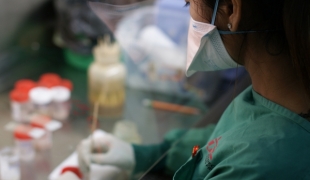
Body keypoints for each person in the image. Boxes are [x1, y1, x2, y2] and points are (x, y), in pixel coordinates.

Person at [78, 0, 310, 179]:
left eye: (189, 3)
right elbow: (215, 143)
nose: (189, 14)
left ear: (230, 9)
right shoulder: (275, 93)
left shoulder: (259, 166)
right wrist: (145, 155)